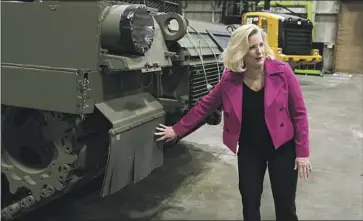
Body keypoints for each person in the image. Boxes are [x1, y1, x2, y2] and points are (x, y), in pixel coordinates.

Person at [154, 24, 312, 221]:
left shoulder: (283, 71)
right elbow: (206, 105)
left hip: (282, 147)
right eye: (252, 47)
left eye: (261, 45)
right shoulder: (230, 79)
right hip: (249, 149)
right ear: (240, 52)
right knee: (250, 202)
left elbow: (299, 113)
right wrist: (177, 130)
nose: (259, 51)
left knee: (285, 204)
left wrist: (302, 153)